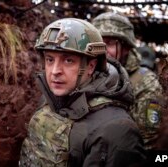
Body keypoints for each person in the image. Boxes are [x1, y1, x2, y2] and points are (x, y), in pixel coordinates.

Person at [19, 18, 146, 167]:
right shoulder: (49, 99)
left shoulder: (116, 131)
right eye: (50, 59)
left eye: (68, 61)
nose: (55, 71)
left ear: (91, 66)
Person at [92, 12, 163, 150]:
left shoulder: (145, 82)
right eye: (98, 44)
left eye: (109, 43)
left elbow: (149, 136)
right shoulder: (85, 73)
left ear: (126, 48)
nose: (102, 51)